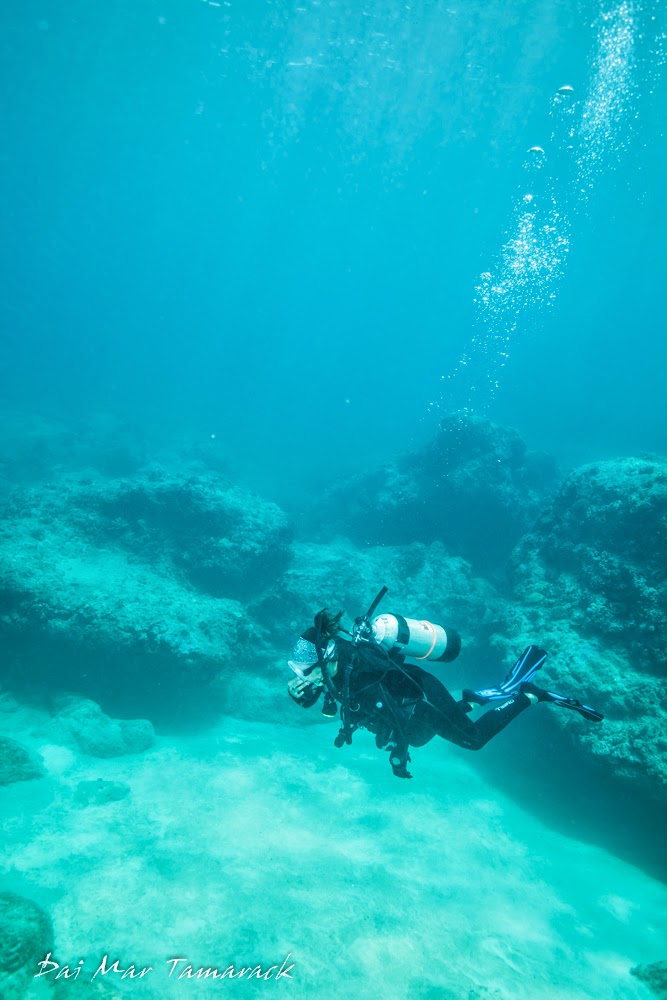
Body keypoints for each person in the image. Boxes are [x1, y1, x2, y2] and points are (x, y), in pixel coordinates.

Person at [287, 602, 603, 779]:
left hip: (423, 698)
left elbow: (389, 711)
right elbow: (323, 702)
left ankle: (529, 695)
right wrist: (299, 694)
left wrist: (399, 755)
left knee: (472, 740)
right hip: (411, 716)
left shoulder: (359, 669)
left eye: (305, 670)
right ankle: (470, 701)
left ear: (327, 657)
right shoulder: (334, 672)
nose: (303, 676)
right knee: (423, 736)